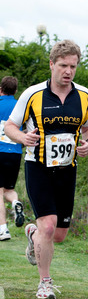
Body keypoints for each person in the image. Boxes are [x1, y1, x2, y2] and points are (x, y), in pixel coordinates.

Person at [5, 40, 88, 299]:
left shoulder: (84, 95)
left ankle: (32, 234)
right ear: (52, 64)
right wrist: (22, 138)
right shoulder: (32, 94)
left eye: (73, 66)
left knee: (58, 234)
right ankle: (45, 283)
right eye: (63, 65)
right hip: (38, 167)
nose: (68, 71)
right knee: (47, 226)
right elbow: (10, 126)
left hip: (68, 169)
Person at [0, 76, 25, 241]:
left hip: (0, 150)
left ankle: (3, 229)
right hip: (15, 153)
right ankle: (15, 202)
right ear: (16, 91)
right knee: (8, 190)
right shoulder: (20, 106)